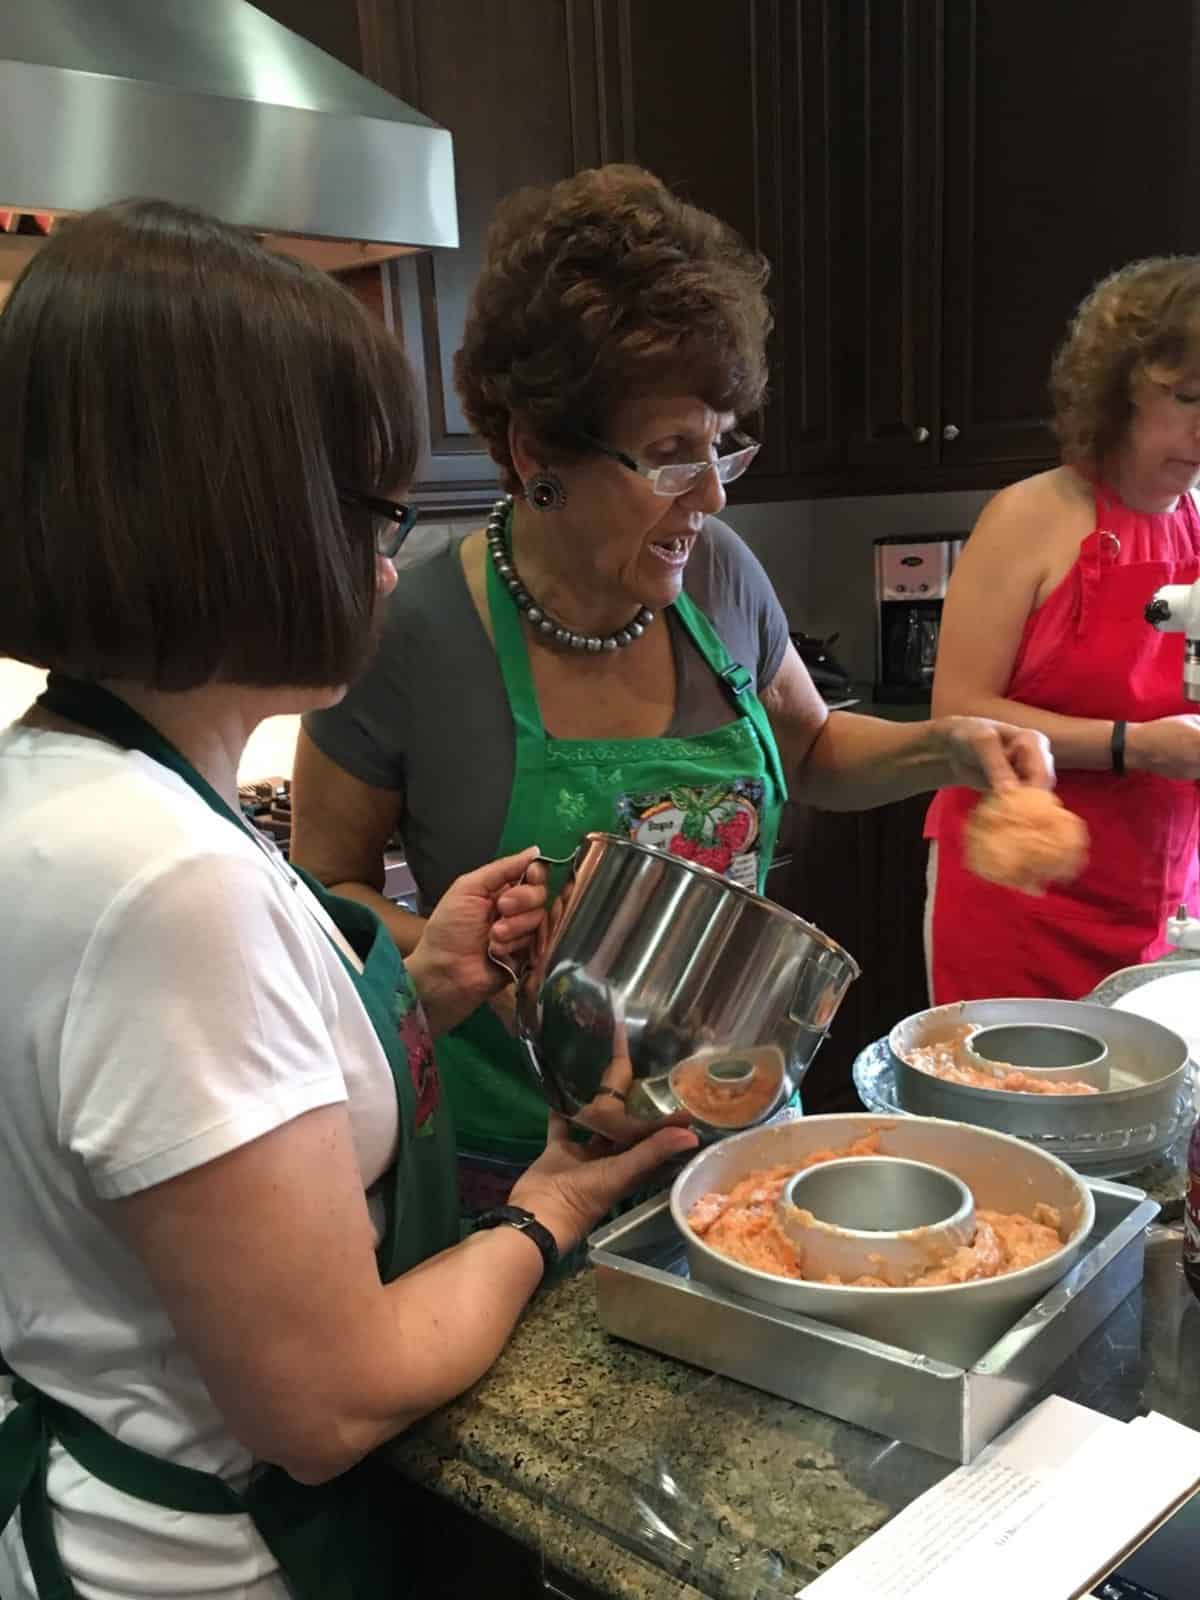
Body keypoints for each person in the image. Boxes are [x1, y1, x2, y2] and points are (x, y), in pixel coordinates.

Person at [0, 199, 698, 1600]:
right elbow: (325, 1399)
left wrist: (420, 987)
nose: (389, 561)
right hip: (212, 1555)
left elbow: (191, 1113)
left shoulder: (67, 781)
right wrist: (555, 1204)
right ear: (230, 518)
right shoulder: (165, 886)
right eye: (370, 510)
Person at [291, 164, 1052, 1208]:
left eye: (721, 445)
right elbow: (324, 896)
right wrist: (484, 961)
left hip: (731, 1151)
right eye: (666, 456)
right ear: (535, 452)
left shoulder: (720, 572)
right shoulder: (411, 632)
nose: (709, 493)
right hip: (506, 1171)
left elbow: (813, 749)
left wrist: (950, 747)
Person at [926, 256, 1200, 1004]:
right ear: (1116, 388)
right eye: (1185, 396)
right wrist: (1135, 745)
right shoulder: (1031, 517)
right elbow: (957, 709)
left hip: (1167, 893)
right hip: (1020, 895)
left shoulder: (1198, 525)